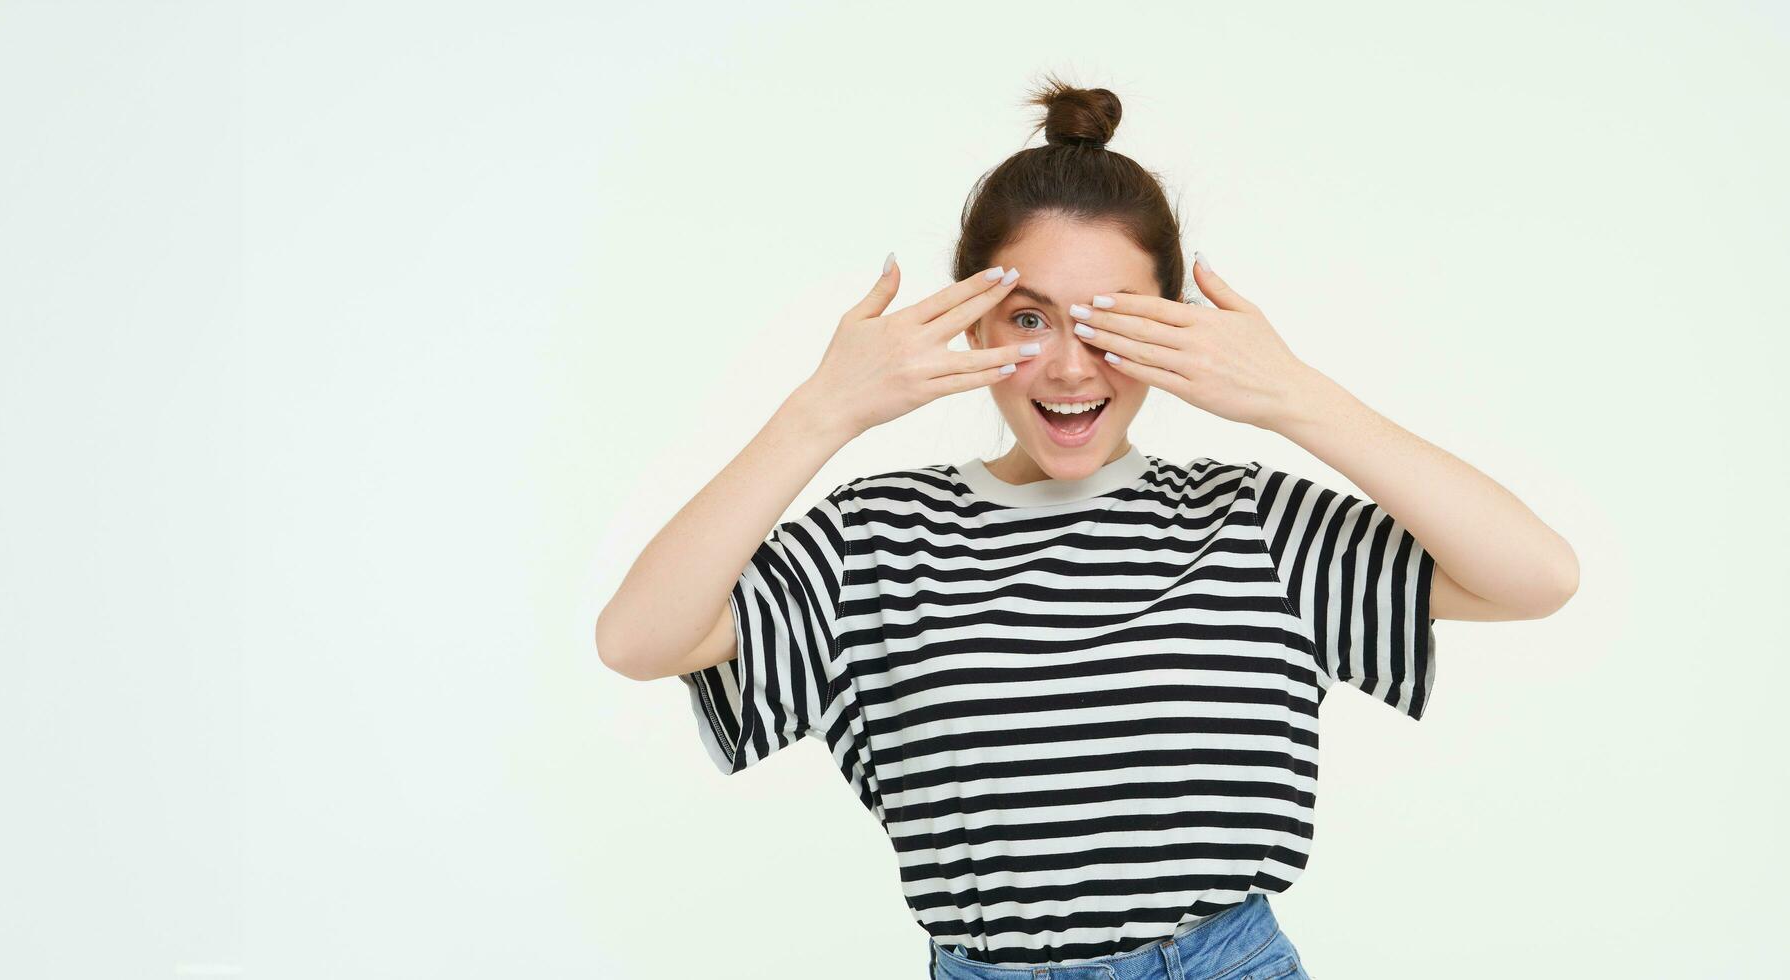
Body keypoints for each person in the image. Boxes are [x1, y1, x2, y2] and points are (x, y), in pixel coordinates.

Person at [595, 75, 1580, 979]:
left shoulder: (1252, 524)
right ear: (971, 324)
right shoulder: (875, 539)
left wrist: (1293, 397)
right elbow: (639, 637)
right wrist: (820, 410)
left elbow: (1533, 574)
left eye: (1112, 319)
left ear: (1176, 328)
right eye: (1027, 318)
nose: (1072, 366)